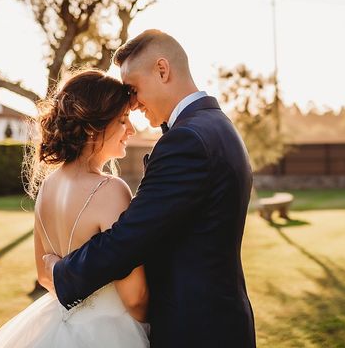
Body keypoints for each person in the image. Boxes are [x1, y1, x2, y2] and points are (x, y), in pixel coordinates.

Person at [44, 29, 256, 347]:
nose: (131, 102)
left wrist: (61, 272)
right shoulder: (217, 125)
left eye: (132, 89)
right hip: (219, 321)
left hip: (195, 330)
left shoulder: (187, 140)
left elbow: (128, 238)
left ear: (162, 70)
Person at [0, 69, 150, 347]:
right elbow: (134, 298)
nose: (131, 130)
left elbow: (44, 274)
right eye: (122, 120)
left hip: (54, 325)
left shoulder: (47, 186)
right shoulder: (110, 190)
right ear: (90, 127)